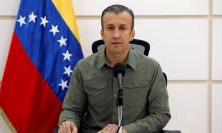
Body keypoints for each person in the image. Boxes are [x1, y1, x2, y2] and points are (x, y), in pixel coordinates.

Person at [58, 4, 171, 133]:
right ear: (102, 33)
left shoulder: (151, 68)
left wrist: (125, 130)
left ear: (132, 34)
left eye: (122, 28)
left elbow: (161, 115)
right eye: (110, 28)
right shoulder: (83, 68)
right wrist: (69, 122)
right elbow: (71, 110)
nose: (116, 34)